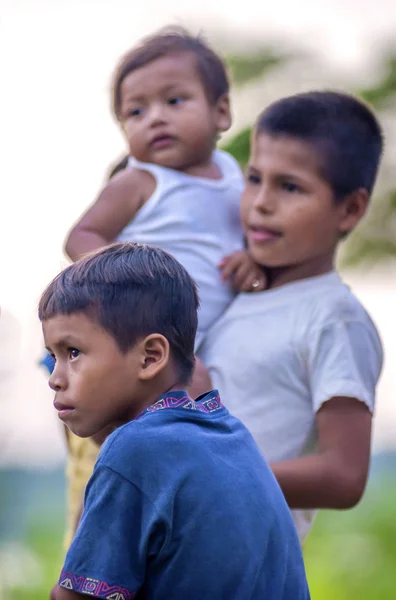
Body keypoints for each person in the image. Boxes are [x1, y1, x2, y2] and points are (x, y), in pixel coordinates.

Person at [40, 242, 310, 600]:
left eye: (73, 352)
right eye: (53, 356)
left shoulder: (135, 450)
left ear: (150, 357)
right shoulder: (230, 433)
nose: (55, 378)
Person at [200, 91, 384, 543]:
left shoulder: (334, 319)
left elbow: (344, 474)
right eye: (255, 178)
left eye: (290, 187)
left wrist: (204, 473)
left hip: (240, 571)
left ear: (350, 209)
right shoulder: (233, 289)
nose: (260, 203)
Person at [64, 27, 266, 350]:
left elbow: (253, 231)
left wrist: (252, 259)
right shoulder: (139, 182)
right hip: (147, 336)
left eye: (174, 100)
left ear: (221, 112)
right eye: (136, 112)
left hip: (218, 342)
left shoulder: (232, 173)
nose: (155, 118)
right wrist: (127, 279)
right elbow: (81, 237)